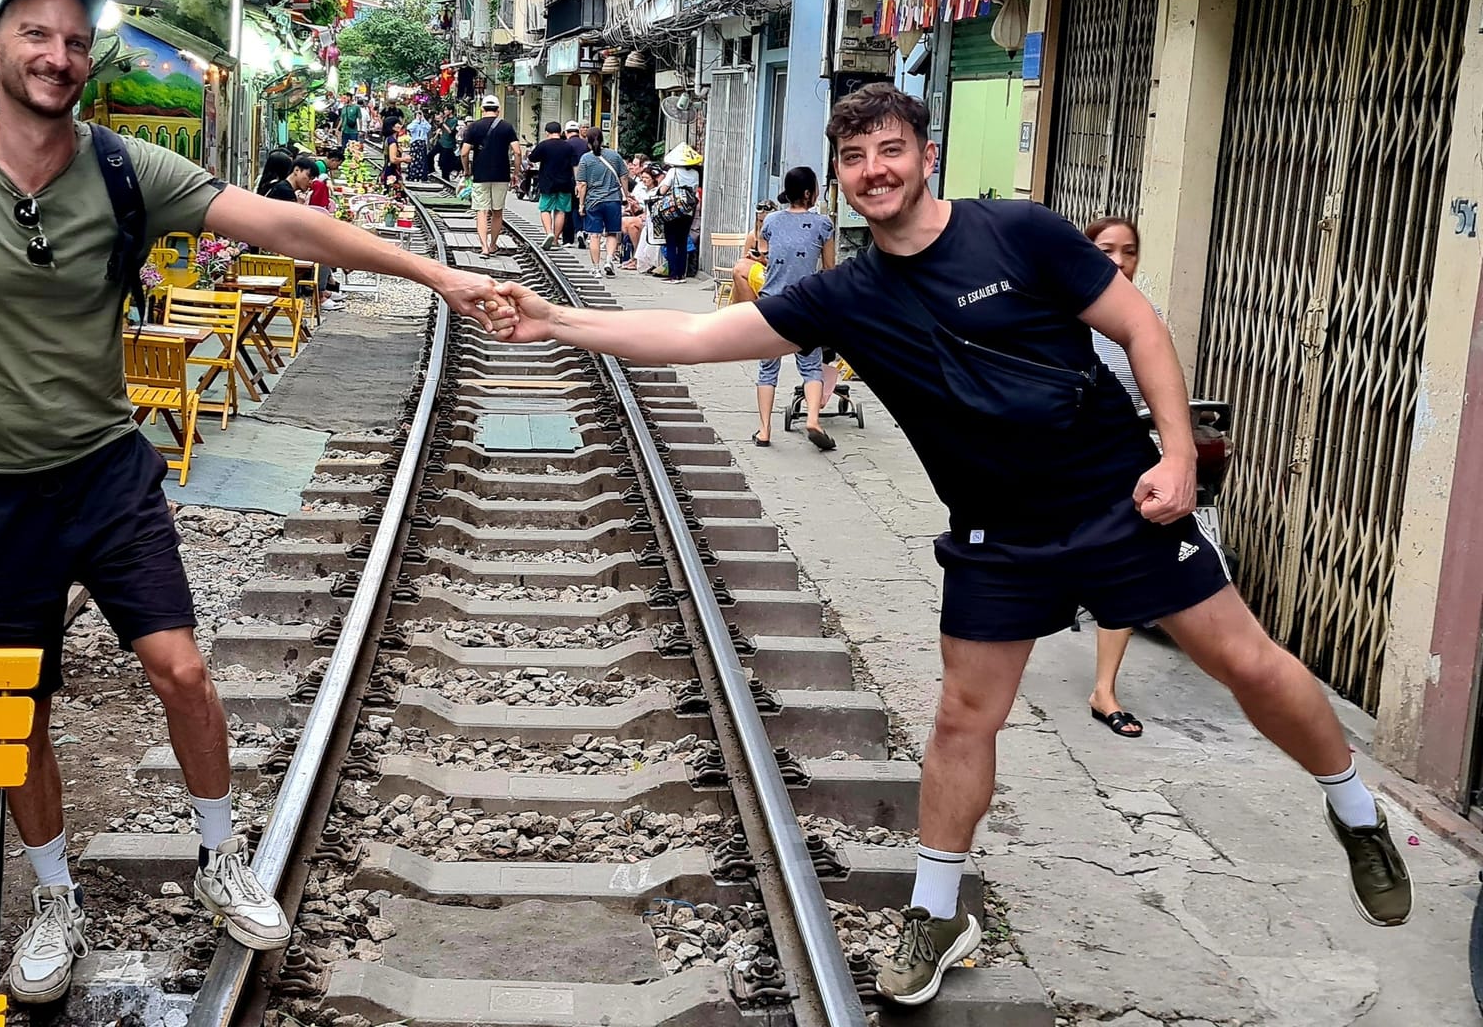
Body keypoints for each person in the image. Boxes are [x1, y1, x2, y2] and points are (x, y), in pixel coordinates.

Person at [485, 81, 1411, 1008]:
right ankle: (937, 911)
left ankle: (1354, 810)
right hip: (995, 532)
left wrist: (1176, 455)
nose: (873, 170)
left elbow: (1140, 327)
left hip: (1118, 498)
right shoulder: (844, 296)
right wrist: (557, 321)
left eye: (889, 149)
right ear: (840, 179)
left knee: (1244, 662)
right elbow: (692, 334)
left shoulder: (1022, 233)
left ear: (925, 156)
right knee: (964, 718)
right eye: (854, 158)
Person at [0, 0, 508, 1005]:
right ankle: (56, 901)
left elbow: (279, 225)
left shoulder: (124, 169)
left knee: (183, 672)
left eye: (74, 39)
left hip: (105, 472)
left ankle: (220, 858)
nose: (59, 54)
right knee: (19, 715)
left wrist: (434, 272)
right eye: (36, 35)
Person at [1081, 215, 1166, 740]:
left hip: (1129, 461)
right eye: (1105, 249)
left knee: (1123, 571)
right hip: (1066, 462)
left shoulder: (1147, 319)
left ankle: (1104, 690)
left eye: (1128, 251)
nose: (1117, 261)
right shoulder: (1060, 317)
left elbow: (1162, 392)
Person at [748, 169, 836, 450]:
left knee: (767, 369)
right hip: (806, 303)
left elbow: (763, 252)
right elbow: (830, 269)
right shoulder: (823, 224)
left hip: (771, 303)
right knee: (811, 367)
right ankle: (812, 419)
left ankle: (764, 430)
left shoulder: (772, 220)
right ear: (809, 193)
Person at [459, 94, 521, 256]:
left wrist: (466, 170)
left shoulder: (473, 127)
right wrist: (516, 172)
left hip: (480, 174)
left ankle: (484, 247)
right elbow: (517, 151)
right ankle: (493, 244)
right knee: (497, 211)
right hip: (501, 174)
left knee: (481, 211)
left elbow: (464, 153)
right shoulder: (507, 127)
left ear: (482, 109)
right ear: (498, 110)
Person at [575, 129, 628, 279]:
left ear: (588, 141)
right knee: (612, 232)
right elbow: (624, 176)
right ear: (603, 139)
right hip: (613, 200)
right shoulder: (614, 155)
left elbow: (582, 184)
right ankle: (609, 261)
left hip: (593, 201)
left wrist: (581, 204)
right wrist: (627, 194)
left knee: (594, 236)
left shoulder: (585, 159)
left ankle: (596, 268)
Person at [528, 122, 579, 250]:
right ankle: (556, 239)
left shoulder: (544, 145)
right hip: (565, 183)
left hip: (547, 182)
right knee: (560, 210)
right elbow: (575, 165)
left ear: (547, 132)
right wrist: (577, 182)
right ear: (560, 132)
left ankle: (548, 232)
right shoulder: (568, 146)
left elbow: (532, 158)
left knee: (545, 209)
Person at [655, 144, 702, 282]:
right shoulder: (695, 173)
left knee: (670, 242)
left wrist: (658, 192)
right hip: (688, 211)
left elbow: (663, 190)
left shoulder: (673, 171)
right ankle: (682, 274)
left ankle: (673, 274)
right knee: (682, 242)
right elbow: (693, 191)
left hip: (673, 210)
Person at [629, 165, 663, 273]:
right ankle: (637, 259)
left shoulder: (657, 191)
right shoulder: (640, 187)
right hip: (644, 217)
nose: (644, 180)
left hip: (652, 220)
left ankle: (638, 259)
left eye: (647, 178)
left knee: (633, 225)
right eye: (642, 178)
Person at [433, 113, 461, 184]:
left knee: (446, 163)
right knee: (433, 156)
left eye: (446, 110)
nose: (445, 112)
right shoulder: (445, 119)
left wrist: (443, 123)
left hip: (449, 145)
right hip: (442, 142)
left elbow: (450, 132)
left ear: (450, 111)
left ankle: (446, 179)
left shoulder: (454, 120)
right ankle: (433, 172)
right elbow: (439, 127)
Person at [408, 111, 433, 179]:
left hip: (422, 142)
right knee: (414, 159)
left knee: (422, 159)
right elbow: (410, 128)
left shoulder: (424, 124)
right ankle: (413, 174)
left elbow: (428, 128)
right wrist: (416, 121)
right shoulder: (413, 123)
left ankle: (422, 175)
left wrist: (423, 120)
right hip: (415, 142)